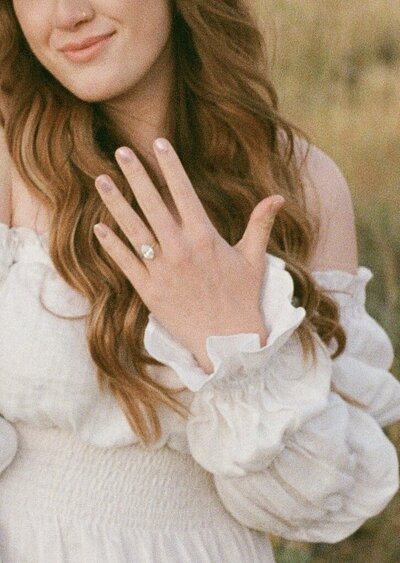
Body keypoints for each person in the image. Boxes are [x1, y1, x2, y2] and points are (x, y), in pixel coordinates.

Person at [0, 1, 399, 561]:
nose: (67, 14)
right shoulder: (10, 154)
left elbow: (318, 505)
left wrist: (234, 345)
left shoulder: (301, 182)